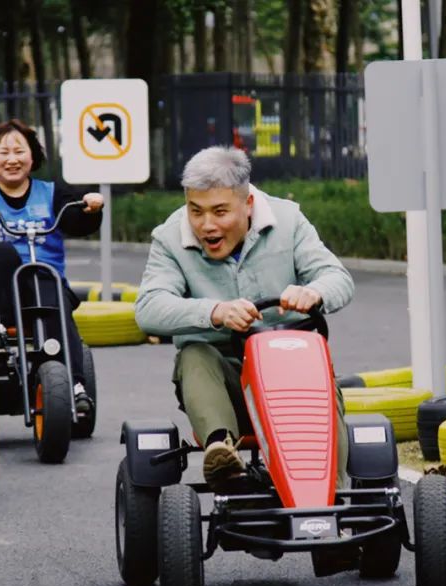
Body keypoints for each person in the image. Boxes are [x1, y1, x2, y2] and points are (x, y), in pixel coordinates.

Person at [134, 146, 355, 491]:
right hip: (224, 380)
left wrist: (314, 293)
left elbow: (337, 277)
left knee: (320, 374)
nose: (206, 225)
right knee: (194, 353)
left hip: (291, 375)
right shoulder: (169, 238)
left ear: (248, 203)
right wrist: (214, 312)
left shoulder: (289, 221)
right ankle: (222, 453)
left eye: (220, 211)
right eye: (196, 211)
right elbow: (148, 308)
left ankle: (333, 498)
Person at [0, 119, 103, 414]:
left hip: (43, 287)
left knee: (46, 282)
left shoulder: (52, 193)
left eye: (19, 152)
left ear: (33, 156)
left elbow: (77, 221)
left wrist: (91, 209)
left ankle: (76, 384)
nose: (12, 159)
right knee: (2, 252)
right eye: (3, 153)